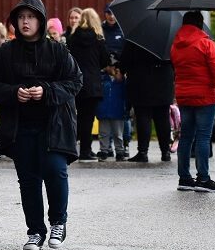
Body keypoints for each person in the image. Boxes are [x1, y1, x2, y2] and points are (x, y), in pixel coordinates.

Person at [0, 0, 82, 250]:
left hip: (54, 125)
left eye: (30, 17)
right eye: (21, 17)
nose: (25, 22)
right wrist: (14, 92)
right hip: (20, 126)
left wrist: (47, 91)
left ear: (40, 20)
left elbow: (75, 81)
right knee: (28, 180)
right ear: (15, 22)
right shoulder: (6, 52)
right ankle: (35, 231)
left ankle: (58, 223)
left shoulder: (57, 50)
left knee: (55, 171)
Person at [170, 10, 215, 193]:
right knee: (203, 138)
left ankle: (184, 178)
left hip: (183, 96)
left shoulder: (176, 46)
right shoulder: (207, 44)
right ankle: (203, 179)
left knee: (186, 137)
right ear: (200, 24)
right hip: (204, 97)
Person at [67, 8, 111, 162]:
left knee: (77, 117)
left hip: (76, 82)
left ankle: (75, 148)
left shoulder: (72, 38)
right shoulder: (98, 39)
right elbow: (105, 60)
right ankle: (86, 150)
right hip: (92, 82)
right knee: (88, 118)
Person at [121, 40, 175, 162]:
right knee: (163, 117)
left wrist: (122, 69)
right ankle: (165, 152)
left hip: (141, 80)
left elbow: (125, 58)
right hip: (164, 80)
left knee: (143, 117)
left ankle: (143, 152)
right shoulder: (168, 36)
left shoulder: (136, 37)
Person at [96, 66, 129, 161]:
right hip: (103, 109)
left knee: (118, 133)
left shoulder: (122, 81)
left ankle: (119, 151)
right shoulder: (102, 78)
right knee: (103, 133)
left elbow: (125, 95)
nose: (112, 69)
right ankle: (104, 151)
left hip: (117, 110)